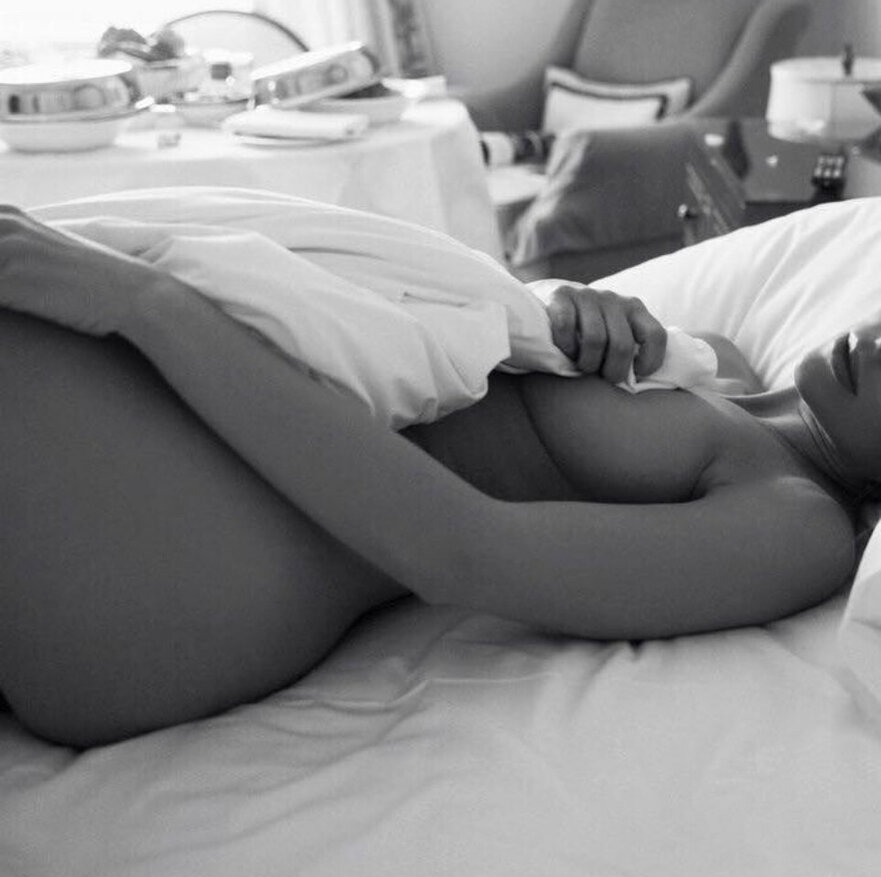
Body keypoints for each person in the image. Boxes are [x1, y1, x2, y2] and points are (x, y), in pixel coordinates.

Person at [0, 207, 871, 747]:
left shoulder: (799, 525)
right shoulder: (721, 359)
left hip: (206, 559)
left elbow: (463, 553)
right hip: (197, 438)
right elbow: (465, 351)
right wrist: (556, 307)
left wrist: (149, 305)